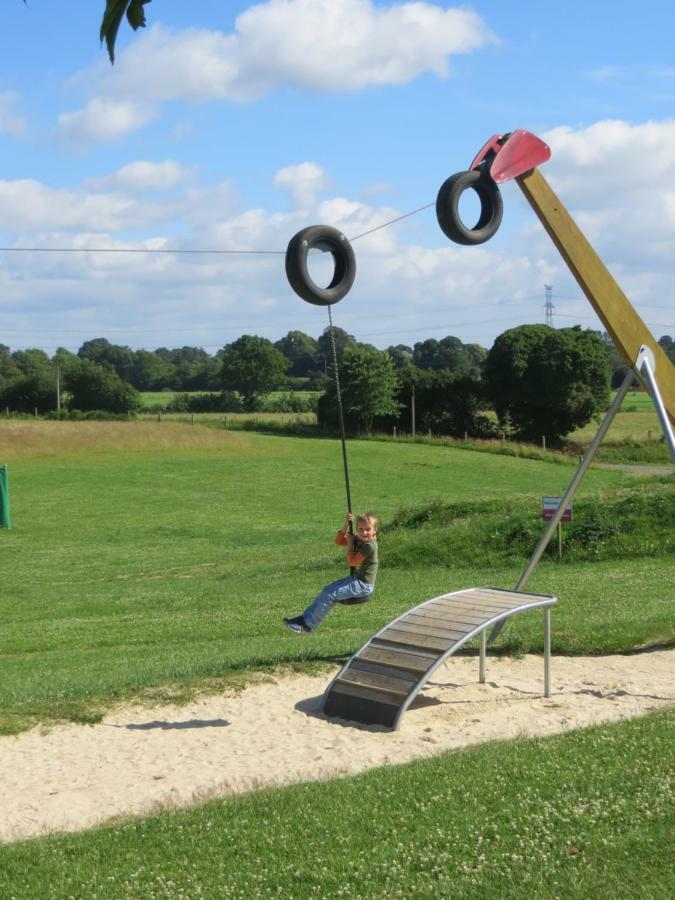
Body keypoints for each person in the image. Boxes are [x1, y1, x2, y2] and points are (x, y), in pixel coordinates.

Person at [283, 511, 379, 633]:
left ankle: (307, 626)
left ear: (375, 530)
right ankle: (304, 620)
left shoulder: (369, 546)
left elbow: (352, 562)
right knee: (327, 591)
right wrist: (346, 524)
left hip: (363, 585)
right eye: (360, 529)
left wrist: (350, 543)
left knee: (330, 594)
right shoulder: (359, 539)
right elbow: (338, 541)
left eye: (367, 529)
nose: (364, 532)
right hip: (356, 580)